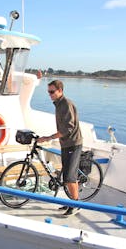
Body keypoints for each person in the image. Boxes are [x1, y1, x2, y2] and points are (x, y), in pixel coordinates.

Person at [38, 80, 83, 216]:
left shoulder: (66, 104)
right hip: (65, 144)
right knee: (67, 176)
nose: (50, 94)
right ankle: (71, 202)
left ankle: (76, 205)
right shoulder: (58, 105)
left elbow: (68, 128)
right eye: (48, 92)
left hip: (73, 144)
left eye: (52, 92)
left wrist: (49, 137)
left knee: (70, 178)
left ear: (60, 91)